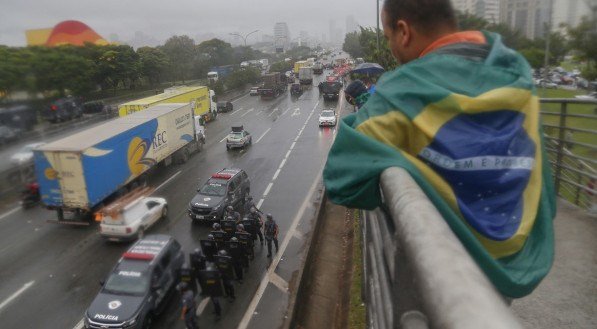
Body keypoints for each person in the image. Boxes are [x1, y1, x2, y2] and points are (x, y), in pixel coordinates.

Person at [323, 0, 555, 299]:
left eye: (389, 36)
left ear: (403, 32)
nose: (391, 47)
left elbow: (340, 181)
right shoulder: (518, 76)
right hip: (518, 260)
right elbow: (545, 188)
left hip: (438, 278)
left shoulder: (402, 91)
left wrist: (401, 163)